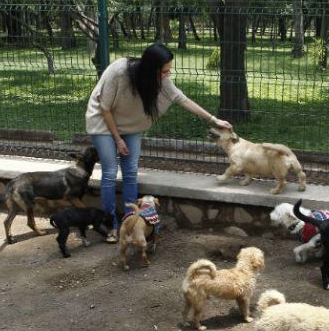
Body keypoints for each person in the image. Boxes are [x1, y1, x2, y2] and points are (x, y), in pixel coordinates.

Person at [85, 42, 232, 243]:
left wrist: (214, 120)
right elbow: (104, 108)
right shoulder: (119, 71)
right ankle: (110, 224)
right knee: (110, 173)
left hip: (130, 126)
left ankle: (132, 220)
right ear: (150, 69)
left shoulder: (161, 79)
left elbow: (182, 99)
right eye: (164, 71)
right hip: (103, 121)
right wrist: (117, 139)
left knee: (130, 173)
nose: (167, 75)